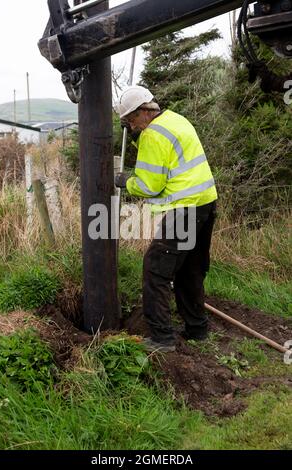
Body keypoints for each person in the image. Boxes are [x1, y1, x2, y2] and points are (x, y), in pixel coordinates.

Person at [115, 86, 217, 352]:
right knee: (190, 269)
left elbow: (150, 185)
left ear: (143, 112)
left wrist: (126, 181)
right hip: (205, 203)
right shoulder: (175, 119)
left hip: (184, 209)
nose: (131, 126)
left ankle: (162, 338)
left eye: (131, 120)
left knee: (156, 270)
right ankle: (197, 329)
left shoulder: (152, 136)